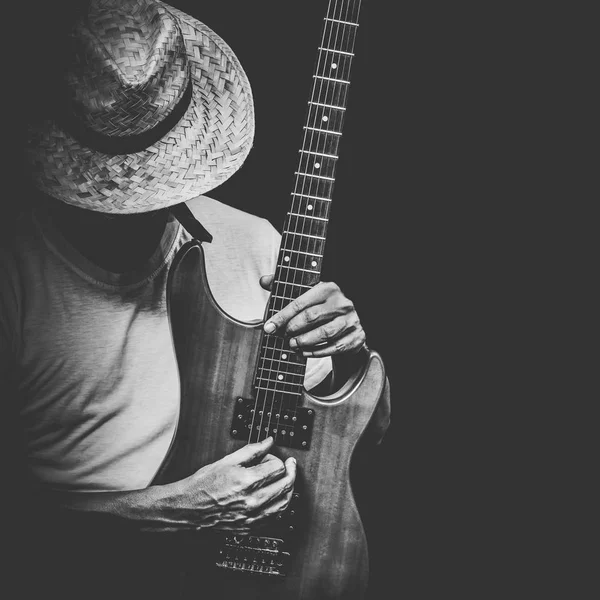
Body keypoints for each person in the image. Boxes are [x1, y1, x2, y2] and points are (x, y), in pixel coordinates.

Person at [1, 1, 390, 598]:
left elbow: (357, 435)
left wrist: (347, 359)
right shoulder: (16, 266)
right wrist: (170, 510)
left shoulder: (253, 241)